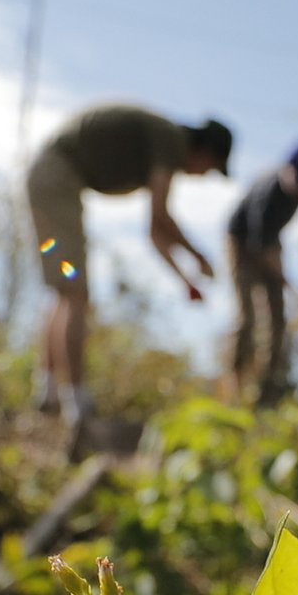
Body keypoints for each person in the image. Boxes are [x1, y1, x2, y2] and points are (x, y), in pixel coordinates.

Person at [26, 103, 232, 425]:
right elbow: (160, 218)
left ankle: (50, 394)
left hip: (49, 175)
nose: (202, 175)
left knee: (67, 293)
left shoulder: (165, 141)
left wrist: (185, 280)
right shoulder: (171, 142)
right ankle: (77, 404)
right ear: (205, 152)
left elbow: (153, 232)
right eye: (210, 168)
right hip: (57, 176)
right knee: (75, 293)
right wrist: (198, 256)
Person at [226, 139, 298, 406]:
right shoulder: (268, 191)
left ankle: (265, 394)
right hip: (242, 243)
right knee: (247, 317)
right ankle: (236, 386)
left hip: (271, 243)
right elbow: (260, 247)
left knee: (278, 321)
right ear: (288, 167)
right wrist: (288, 283)